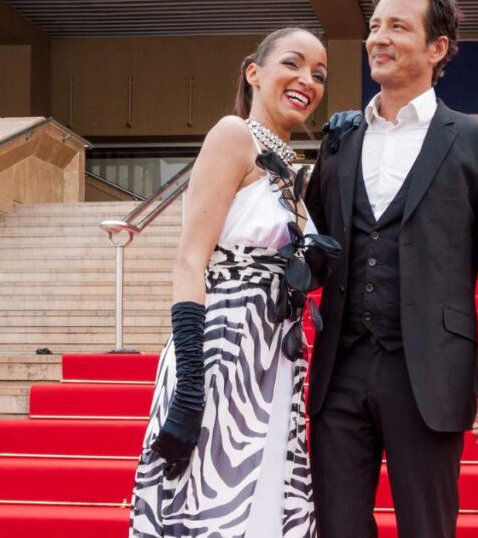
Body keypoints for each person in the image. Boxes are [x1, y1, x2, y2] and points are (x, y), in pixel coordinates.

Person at [304, 0, 478, 536]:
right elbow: (311, 239)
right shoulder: (340, 140)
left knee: (427, 527)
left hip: (429, 372)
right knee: (336, 526)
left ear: (437, 48)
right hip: (339, 369)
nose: (378, 38)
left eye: (397, 27)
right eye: (374, 26)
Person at [130, 27, 329, 538]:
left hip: (274, 355)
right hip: (221, 351)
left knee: (259, 504)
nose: (307, 79)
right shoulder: (232, 134)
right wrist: (191, 388)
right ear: (254, 72)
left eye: (320, 74)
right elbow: (190, 261)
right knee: (209, 506)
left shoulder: (290, 166)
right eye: (293, 63)